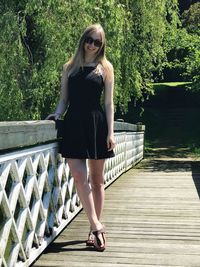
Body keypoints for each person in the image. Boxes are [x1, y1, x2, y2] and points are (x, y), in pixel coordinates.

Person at [46, 23, 115, 251]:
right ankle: (96, 226)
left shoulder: (105, 68)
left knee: (97, 180)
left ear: (102, 45)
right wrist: (57, 113)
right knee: (78, 175)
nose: (92, 45)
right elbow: (64, 99)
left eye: (97, 42)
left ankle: (92, 232)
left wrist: (111, 132)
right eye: (90, 40)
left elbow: (108, 103)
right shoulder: (70, 67)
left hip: (97, 125)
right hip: (74, 124)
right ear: (83, 39)